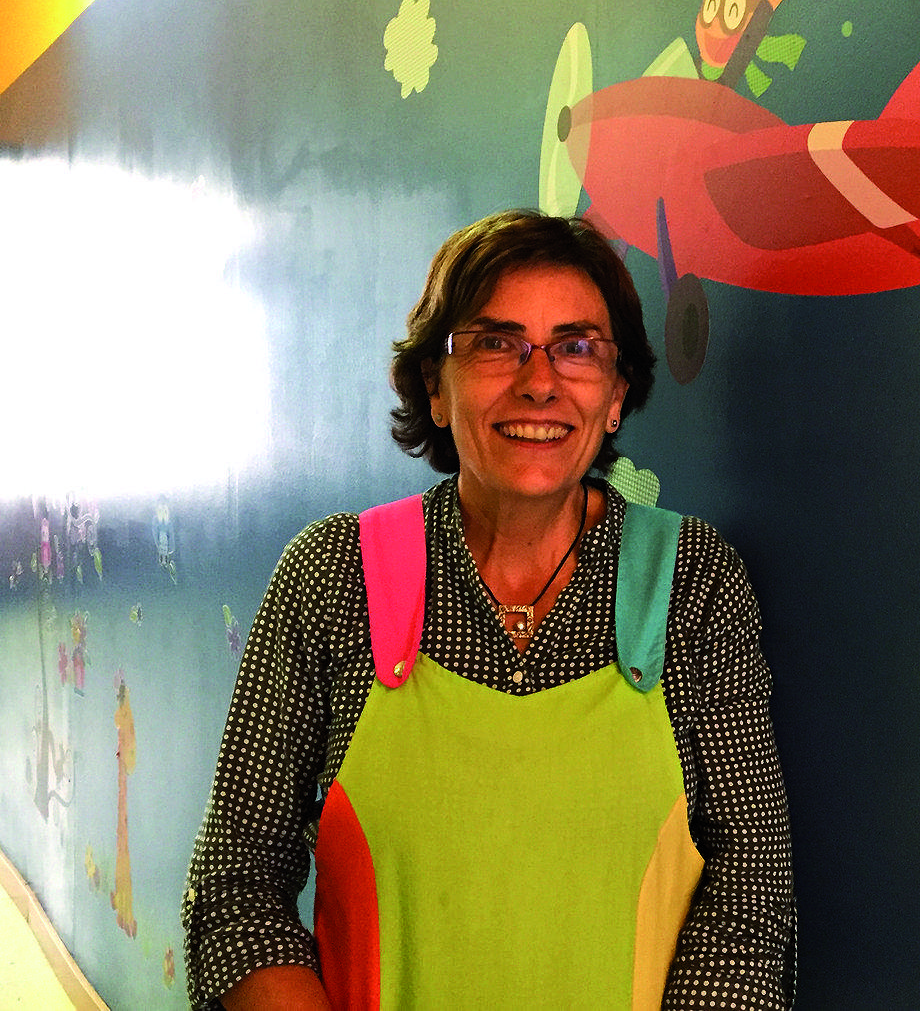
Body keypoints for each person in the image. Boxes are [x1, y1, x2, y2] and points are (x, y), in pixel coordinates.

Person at [182, 210, 795, 1009]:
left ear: (616, 395)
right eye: (495, 343)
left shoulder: (693, 583)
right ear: (434, 388)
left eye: (577, 347)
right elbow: (236, 884)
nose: (539, 381)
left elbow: (749, 901)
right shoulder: (333, 575)